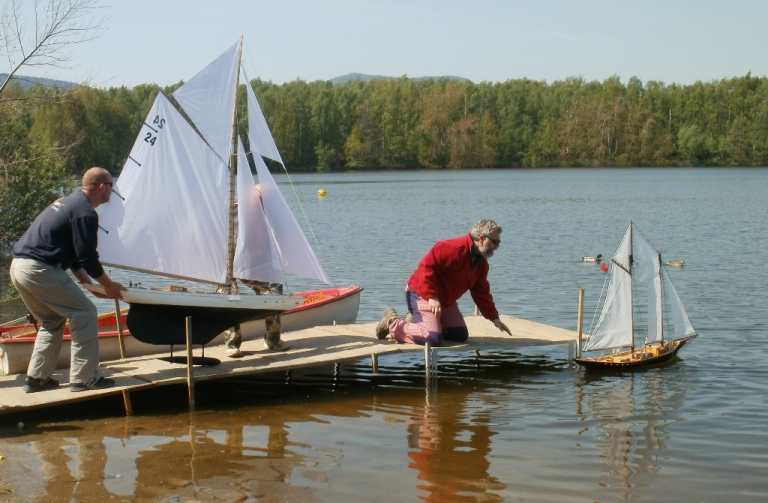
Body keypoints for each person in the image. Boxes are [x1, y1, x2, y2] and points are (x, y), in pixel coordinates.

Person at [9, 167, 127, 393]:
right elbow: (88, 257)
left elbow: (74, 257)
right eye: (112, 186)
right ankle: (84, 378)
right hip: (39, 269)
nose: (114, 191)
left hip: (19, 267)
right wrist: (108, 285)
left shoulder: (68, 203)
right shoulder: (85, 212)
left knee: (52, 321)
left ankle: (37, 378)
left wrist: (88, 284)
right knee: (84, 313)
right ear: (102, 186)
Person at [376, 219, 512, 346]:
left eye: (498, 243)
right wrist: (432, 296)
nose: (497, 246)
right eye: (495, 242)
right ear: (481, 238)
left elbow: (481, 292)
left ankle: (419, 321)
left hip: (444, 302)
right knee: (433, 339)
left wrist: (494, 317)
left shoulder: (481, 264)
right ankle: (393, 323)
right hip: (422, 294)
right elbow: (426, 267)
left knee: (459, 335)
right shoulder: (452, 248)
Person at [223, 280, 289, 358]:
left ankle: (273, 339)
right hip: (227, 270)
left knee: (274, 293)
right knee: (229, 293)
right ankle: (232, 345)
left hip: (250, 270)